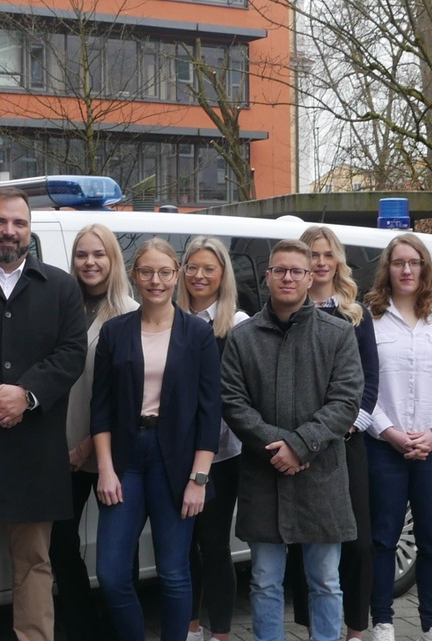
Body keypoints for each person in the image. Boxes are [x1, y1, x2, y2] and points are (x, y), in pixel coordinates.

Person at [0, 187, 87, 641]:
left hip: (35, 447)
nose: (9, 231)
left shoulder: (62, 287)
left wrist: (25, 395)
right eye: (0, 222)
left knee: (35, 565)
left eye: (19, 223)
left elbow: (72, 353)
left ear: (30, 231)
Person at [221, 239, 363, 641]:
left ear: (310, 276)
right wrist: (277, 445)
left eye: (296, 271)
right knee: (265, 581)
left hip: (321, 476)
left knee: (325, 580)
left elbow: (346, 401)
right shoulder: (243, 337)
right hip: (263, 475)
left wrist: (300, 445)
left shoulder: (337, 334)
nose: (288, 277)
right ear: (267, 277)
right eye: (280, 270)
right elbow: (232, 401)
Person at [92, 238, 221, 641]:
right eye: (146, 271)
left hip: (178, 462)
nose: (156, 280)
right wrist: (106, 470)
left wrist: (199, 479)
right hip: (126, 459)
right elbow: (101, 408)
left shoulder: (198, 333)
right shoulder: (115, 332)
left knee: (174, 572)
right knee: (112, 574)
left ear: (177, 274)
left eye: (165, 272)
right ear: (133, 275)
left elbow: (209, 411)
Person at [363, 232, 432, 641]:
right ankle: (383, 622)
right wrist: (388, 431)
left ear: (426, 269)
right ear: (387, 269)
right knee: (381, 538)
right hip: (383, 447)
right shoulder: (369, 318)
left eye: (414, 262)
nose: (406, 270)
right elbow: (361, 387)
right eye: (398, 262)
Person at [287, 226, 380, 641]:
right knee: (306, 542)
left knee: (358, 542)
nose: (321, 261)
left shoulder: (355, 313)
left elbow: (370, 380)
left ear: (337, 260)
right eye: (313, 254)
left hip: (346, 443)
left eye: (327, 254)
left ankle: (356, 628)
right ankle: (315, 629)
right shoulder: (288, 308)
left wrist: (346, 427)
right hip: (303, 444)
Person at [52, 224, 139, 641]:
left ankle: (123, 628)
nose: (90, 262)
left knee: (119, 555)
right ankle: (85, 628)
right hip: (61, 451)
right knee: (60, 547)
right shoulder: (61, 308)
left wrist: (88, 444)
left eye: (98, 254)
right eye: (82, 255)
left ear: (113, 260)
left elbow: (131, 396)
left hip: (110, 452)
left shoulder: (128, 313)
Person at [177, 236, 249, 641]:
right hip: (175, 452)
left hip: (222, 455)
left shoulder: (237, 326)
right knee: (183, 547)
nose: (199, 275)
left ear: (223, 275)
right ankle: (189, 628)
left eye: (209, 268)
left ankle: (220, 632)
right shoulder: (167, 318)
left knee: (214, 545)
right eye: (192, 267)